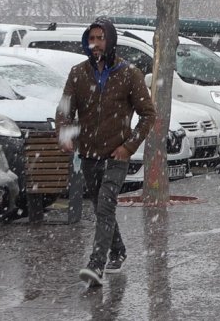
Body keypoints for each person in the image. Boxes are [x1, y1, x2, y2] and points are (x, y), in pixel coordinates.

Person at [56, 17, 156, 287]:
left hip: (117, 154)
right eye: (92, 39)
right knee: (101, 207)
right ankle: (119, 250)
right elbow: (65, 110)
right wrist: (65, 135)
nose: (96, 44)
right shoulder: (78, 73)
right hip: (89, 154)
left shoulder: (129, 73)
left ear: (110, 41)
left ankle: (96, 265)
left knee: (105, 203)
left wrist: (128, 146)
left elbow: (148, 115)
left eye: (101, 38)